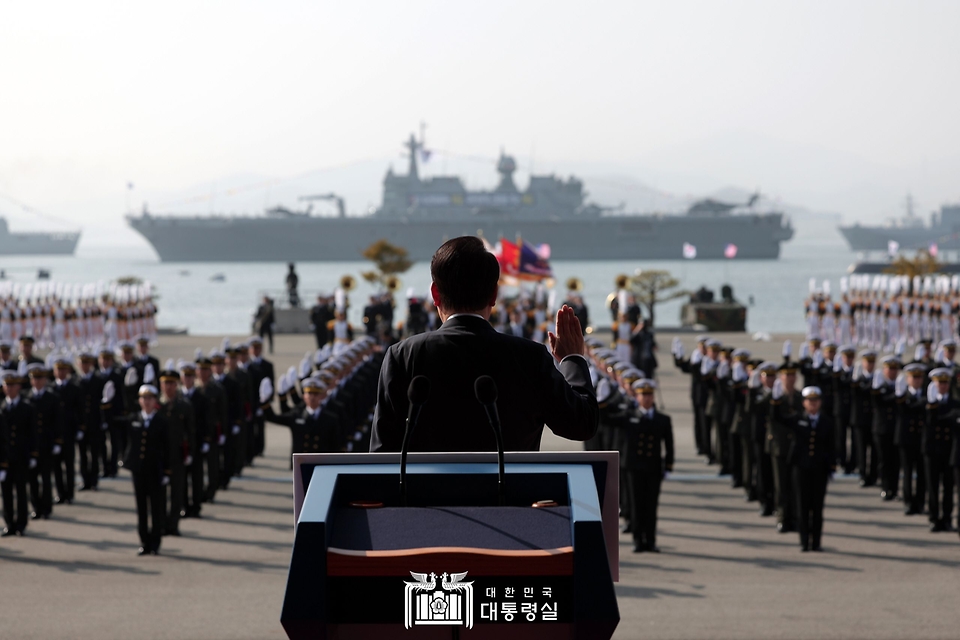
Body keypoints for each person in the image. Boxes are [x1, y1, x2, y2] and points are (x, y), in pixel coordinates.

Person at [370, 236, 598, 452]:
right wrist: (573, 359)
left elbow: (382, 452)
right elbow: (581, 424)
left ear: (435, 294)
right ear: (494, 296)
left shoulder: (402, 356)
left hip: (423, 494)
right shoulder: (529, 357)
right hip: (510, 493)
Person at [119, 385, 170, 555]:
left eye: (150, 398)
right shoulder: (134, 418)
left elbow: (168, 449)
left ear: (156, 401)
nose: (146, 402)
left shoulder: (162, 422)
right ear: (139, 401)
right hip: (139, 471)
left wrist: (167, 472)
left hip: (155, 471)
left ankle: (155, 543)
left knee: (156, 508)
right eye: (143, 398)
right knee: (141, 508)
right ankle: (144, 541)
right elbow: (119, 434)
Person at [623, 379, 673, 553]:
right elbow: (608, 418)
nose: (647, 398)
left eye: (649, 394)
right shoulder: (629, 416)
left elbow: (669, 444)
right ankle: (638, 540)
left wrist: (668, 465)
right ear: (636, 397)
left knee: (651, 506)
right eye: (643, 395)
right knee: (636, 505)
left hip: (652, 468)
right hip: (634, 468)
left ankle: (650, 540)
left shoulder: (662, 419)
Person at [788, 386, 836, 552]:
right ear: (804, 403)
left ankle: (816, 542)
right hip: (801, 469)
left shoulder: (827, 421)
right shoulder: (797, 419)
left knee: (817, 508)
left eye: (815, 401)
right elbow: (777, 418)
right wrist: (775, 399)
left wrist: (831, 466)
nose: (813, 404)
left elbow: (832, 445)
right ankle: (804, 542)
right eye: (810, 401)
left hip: (819, 470)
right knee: (802, 506)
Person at [0, 371, 38, 536]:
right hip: (4, 459)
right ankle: (9, 523)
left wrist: (33, 454)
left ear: (19, 387)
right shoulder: (1, 408)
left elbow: (33, 433)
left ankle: (21, 524)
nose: (9, 389)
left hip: (21, 456)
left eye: (12, 385)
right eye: (6, 385)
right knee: (6, 493)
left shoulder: (27, 407)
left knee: (21, 492)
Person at [27, 364, 61, 520]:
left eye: (40, 378)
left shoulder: (52, 397)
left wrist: (57, 442)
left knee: (46, 478)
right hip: (31, 445)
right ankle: (36, 508)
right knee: (32, 480)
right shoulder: (27, 398)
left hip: (47, 444)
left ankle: (47, 508)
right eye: (34, 378)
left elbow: (57, 422)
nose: (37, 381)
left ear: (45, 380)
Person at [924, 368, 955, 533]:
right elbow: (928, 424)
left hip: (949, 451)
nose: (942, 386)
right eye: (939, 383)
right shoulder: (928, 403)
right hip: (932, 450)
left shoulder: (955, 404)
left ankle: (947, 518)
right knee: (933, 486)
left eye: (944, 382)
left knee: (948, 487)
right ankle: (934, 518)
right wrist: (932, 406)